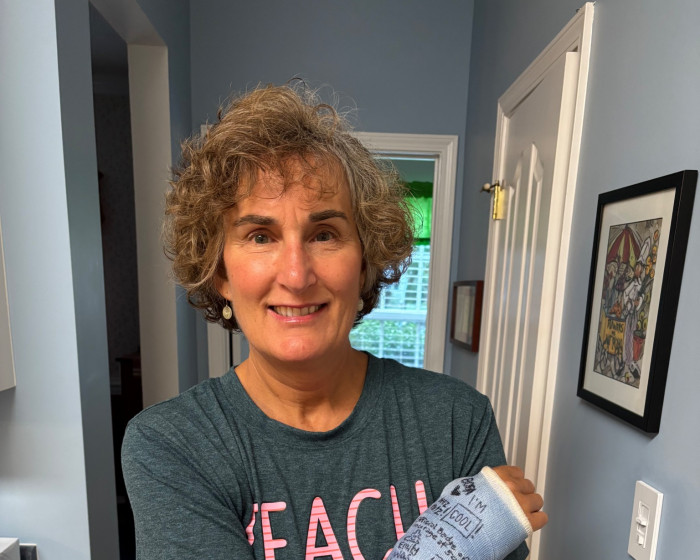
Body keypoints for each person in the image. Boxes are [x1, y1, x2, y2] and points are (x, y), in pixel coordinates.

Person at [122, 83, 546, 560]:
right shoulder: (173, 445)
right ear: (219, 272)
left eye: (324, 234)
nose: (296, 275)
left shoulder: (456, 419)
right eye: (260, 236)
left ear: (364, 262)